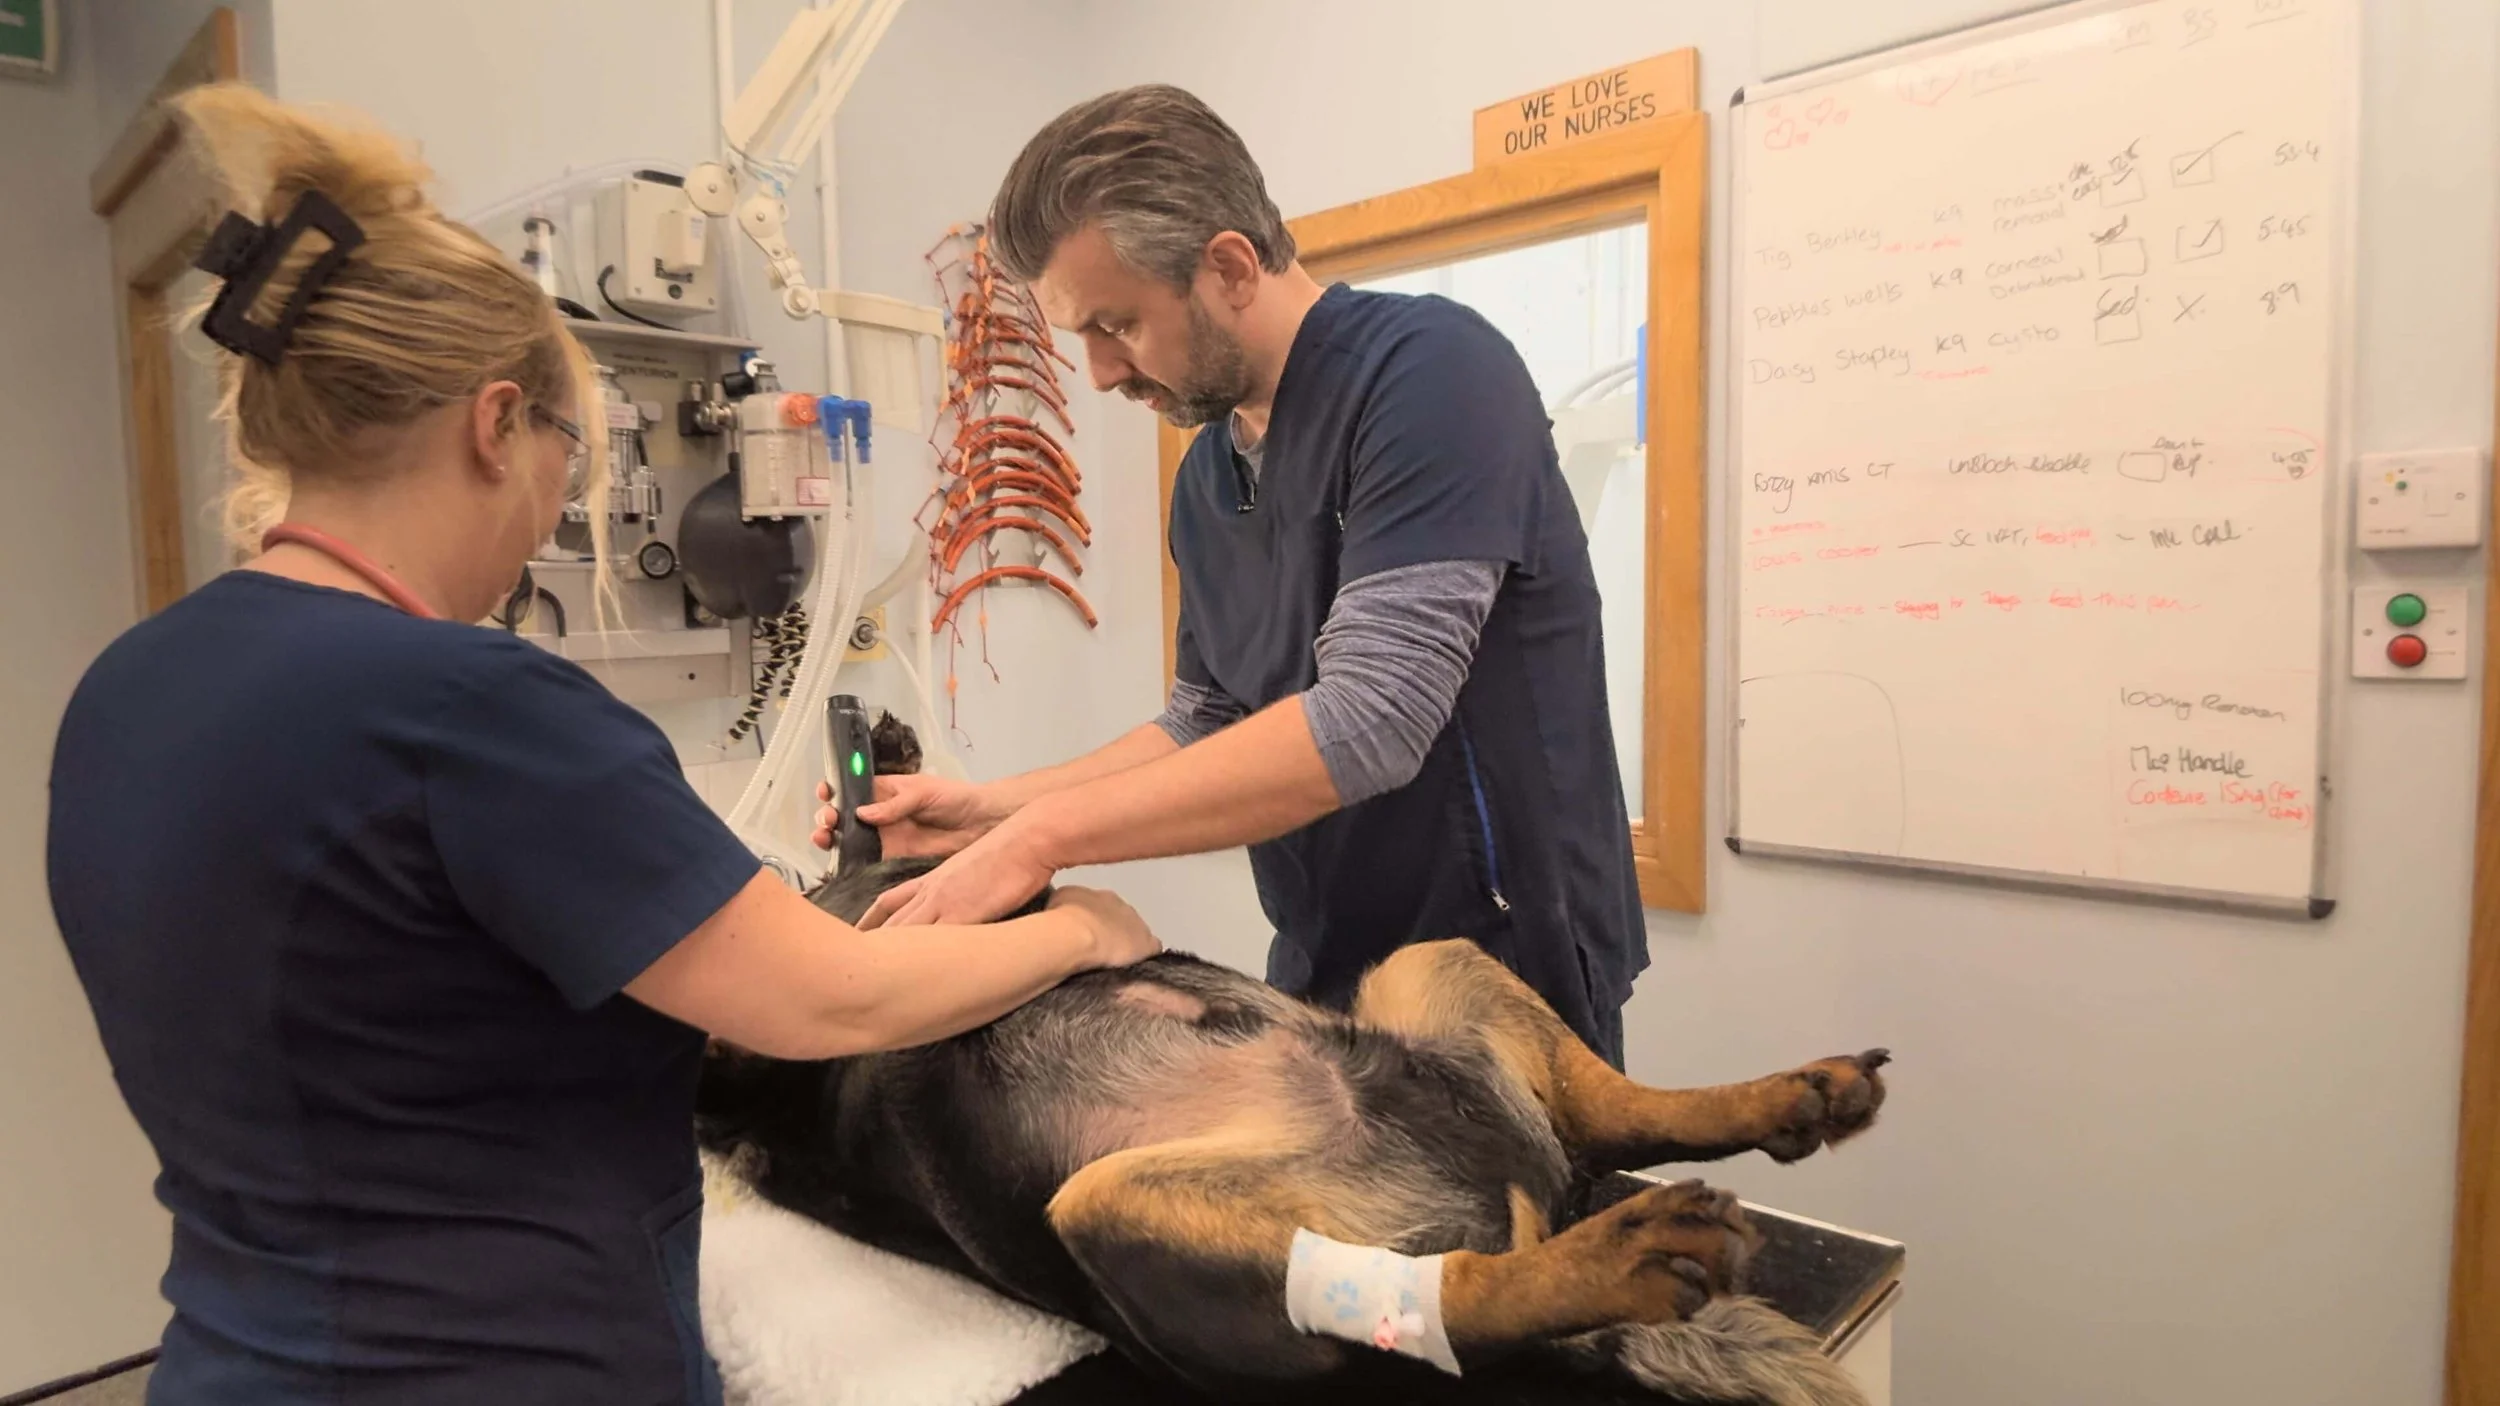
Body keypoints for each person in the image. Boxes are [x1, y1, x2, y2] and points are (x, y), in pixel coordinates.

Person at [42, 85, 1157, 1406]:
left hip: (235, 1362)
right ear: (494, 423)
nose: (557, 506)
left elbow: (398, 993)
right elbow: (826, 1001)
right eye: (572, 452)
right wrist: (1086, 926)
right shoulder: (470, 706)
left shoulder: (129, 686)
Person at [820, 85, 1647, 1066]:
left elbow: (1371, 720)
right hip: (1326, 970)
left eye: (1115, 325)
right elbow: (1204, 720)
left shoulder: (1430, 373)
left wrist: (1039, 842)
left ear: (1227, 266)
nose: (1097, 373)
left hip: (1503, 979)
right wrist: (988, 811)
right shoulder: (1209, 476)